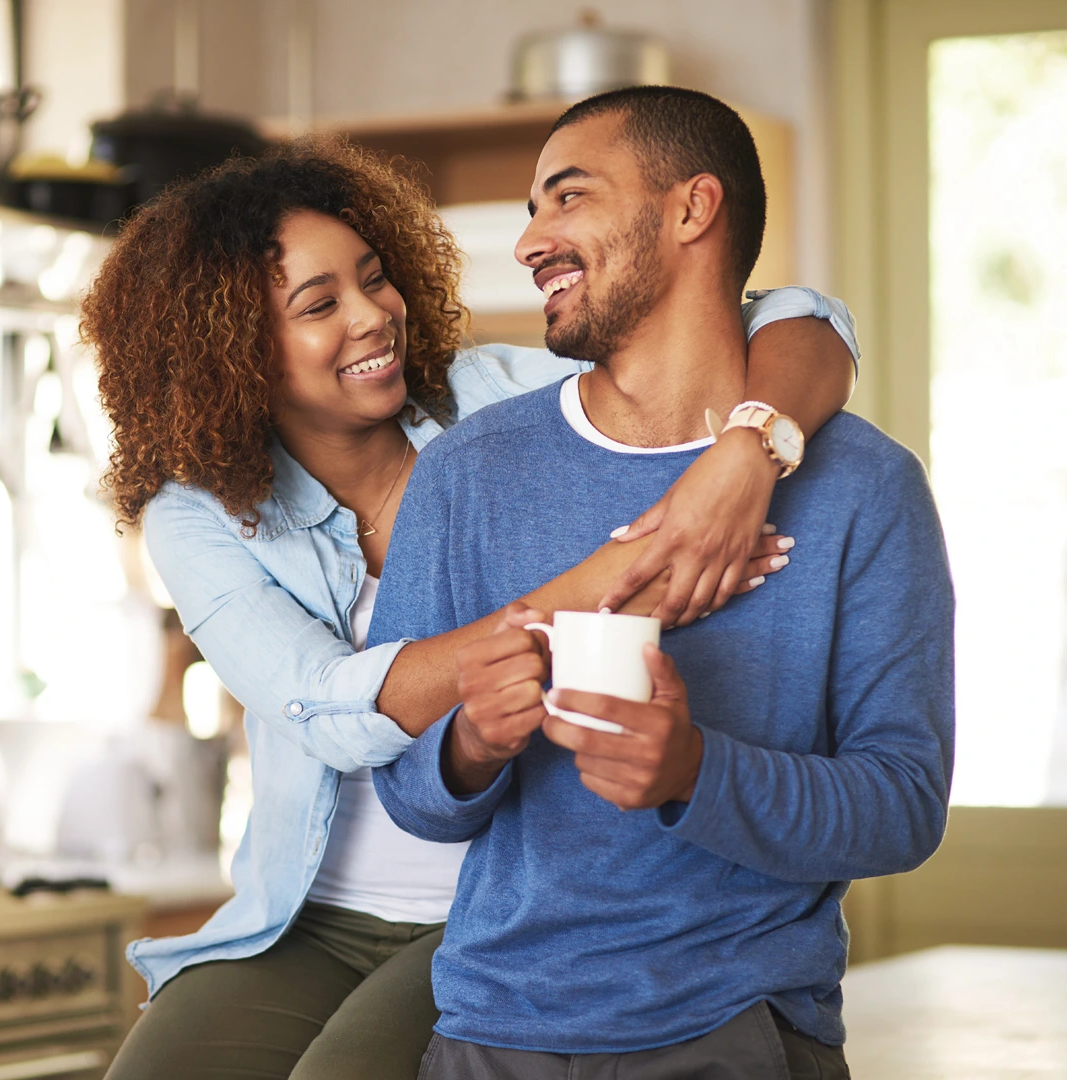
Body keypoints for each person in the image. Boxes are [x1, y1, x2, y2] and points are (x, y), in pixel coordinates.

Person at [84, 138, 858, 1080]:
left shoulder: (499, 398)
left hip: (490, 910)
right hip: (303, 915)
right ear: (228, 351)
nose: (375, 317)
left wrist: (745, 454)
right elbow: (325, 703)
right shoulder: (197, 511)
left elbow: (800, 320)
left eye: (375, 280)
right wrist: (639, 564)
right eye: (320, 305)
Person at [370, 87, 954, 1080]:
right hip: (488, 1033)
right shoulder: (465, 474)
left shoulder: (867, 487)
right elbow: (413, 796)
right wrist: (471, 740)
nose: (530, 242)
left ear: (692, 209)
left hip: (740, 1031)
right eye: (529, 211)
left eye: (568, 198)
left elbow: (902, 807)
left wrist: (694, 770)